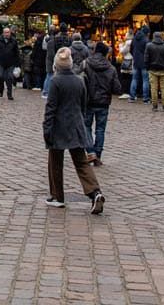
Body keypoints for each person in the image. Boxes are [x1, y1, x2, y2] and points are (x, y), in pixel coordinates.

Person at [42, 49, 106, 213]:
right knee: (81, 162)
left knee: (55, 162)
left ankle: (57, 196)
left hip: (59, 126)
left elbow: (51, 108)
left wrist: (46, 128)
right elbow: (83, 104)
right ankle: (95, 192)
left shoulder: (55, 82)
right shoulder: (79, 81)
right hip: (76, 125)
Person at [81, 42, 121, 163]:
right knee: (100, 129)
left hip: (89, 100)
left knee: (86, 126)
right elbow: (117, 89)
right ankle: (97, 154)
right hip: (103, 102)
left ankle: (90, 151)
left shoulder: (86, 64)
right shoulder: (111, 68)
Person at [145, 31, 164, 111]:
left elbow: (146, 58)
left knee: (153, 88)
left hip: (152, 69)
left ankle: (154, 106)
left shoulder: (149, 46)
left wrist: (148, 67)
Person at [0, 27, 20, 100]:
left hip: (10, 63)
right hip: (0, 62)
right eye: (5, 32)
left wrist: (17, 63)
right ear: (3, 33)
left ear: (10, 33)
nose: (7, 34)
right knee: (0, 76)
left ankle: (9, 94)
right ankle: (1, 89)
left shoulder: (13, 40)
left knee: (9, 78)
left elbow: (17, 52)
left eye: (8, 32)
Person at [129, 25, 149, 102]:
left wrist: (134, 56)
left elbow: (131, 49)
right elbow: (147, 52)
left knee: (134, 79)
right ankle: (145, 98)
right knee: (145, 80)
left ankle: (132, 97)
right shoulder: (146, 40)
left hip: (136, 61)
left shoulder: (134, 38)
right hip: (144, 62)